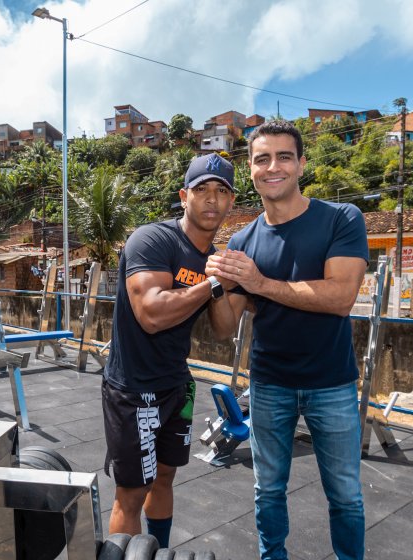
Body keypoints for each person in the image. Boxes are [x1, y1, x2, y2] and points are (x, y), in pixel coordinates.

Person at [206, 120, 368, 560]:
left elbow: (340, 297)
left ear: (300, 164)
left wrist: (259, 282)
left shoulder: (341, 218)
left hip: (331, 383)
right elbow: (224, 327)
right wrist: (217, 285)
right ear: (252, 170)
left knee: (346, 495)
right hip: (270, 384)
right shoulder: (242, 240)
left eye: (283, 157)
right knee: (268, 491)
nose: (272, 166)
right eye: (262, 159)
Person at [102, 152, 236, 548]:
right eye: (202, 190)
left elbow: (225, 328)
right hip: (133, 388)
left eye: (222, 191)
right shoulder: (154, 239)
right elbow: (151, 313)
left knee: (164, 477)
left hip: (176, 384)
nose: (212, 199)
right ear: (184, 195)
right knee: (131, 492)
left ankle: (156, 552)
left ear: (231, 202)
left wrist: (222, 280)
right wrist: (210, 285)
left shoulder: (211, 259)